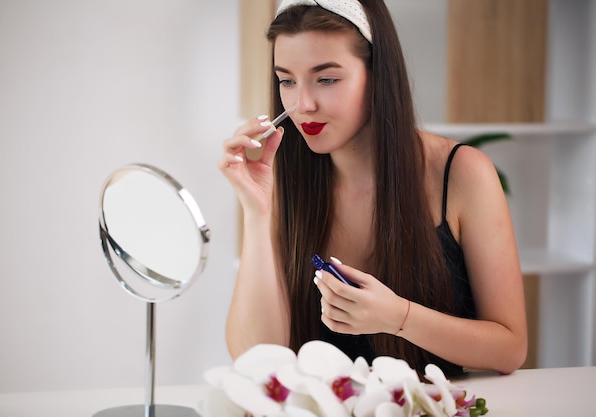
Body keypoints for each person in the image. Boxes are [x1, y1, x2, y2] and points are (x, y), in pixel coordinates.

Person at [218, 0, 527, 376]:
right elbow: (255, 357)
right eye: (287, 80)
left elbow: (510, 350)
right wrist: (256, 213)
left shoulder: (461, 173)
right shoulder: (279, 178)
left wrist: (398, 317)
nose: (303, 105)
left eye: (327, 79)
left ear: (378, 74)